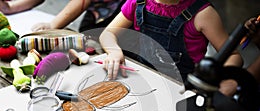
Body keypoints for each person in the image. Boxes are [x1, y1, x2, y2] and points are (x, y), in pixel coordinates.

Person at [99, 0, 243, 85]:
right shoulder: (138, 3)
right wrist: (114, 51)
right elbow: (108, 33)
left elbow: (234, 56)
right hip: (143, 81)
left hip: (183, 88)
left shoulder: (203, 14)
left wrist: (217, 78)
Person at [0, 0, 125, 32]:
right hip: (97, 9)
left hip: (121, 11)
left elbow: (81, 2)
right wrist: (11, 8)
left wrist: (53, 25)